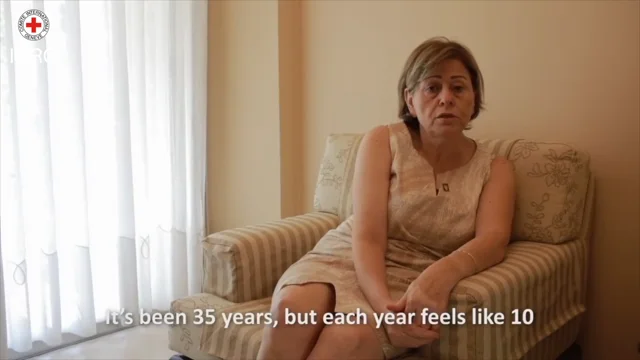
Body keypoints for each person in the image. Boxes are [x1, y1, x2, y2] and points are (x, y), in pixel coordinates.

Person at [256, 37, 516, 360]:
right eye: (432, 88)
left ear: (474, 99)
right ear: (410, 99)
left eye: (458, 88)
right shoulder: (383, 141)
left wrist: (439, 276)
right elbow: (367, 237)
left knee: (345, 341)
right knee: (289, 311)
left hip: (411, 278)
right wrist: (383, 311)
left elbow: (493, 240)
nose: (446, 98)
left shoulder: (495, 168)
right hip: (349, 257)